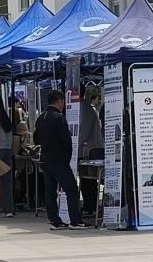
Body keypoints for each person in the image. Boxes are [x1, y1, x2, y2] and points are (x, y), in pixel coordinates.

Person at [34, 90, 85, 231]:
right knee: (71, 189)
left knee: (50, 191)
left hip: (45, 159)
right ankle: (75, 220)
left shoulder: (41, 117)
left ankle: (55, 221)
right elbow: (66, 140)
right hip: (59, 160)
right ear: (59, 101)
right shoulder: (59, 118)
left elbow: (36, 138)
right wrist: (67, 155)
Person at [77, 92, 103, 220]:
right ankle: (89, 205)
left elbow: (83, 132)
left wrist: (74, 146)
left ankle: (90, 206)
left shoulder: (85, 109)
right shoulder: (82, 107)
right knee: (86, 180)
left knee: (89, 180)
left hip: (88, 151)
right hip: (85, 150)